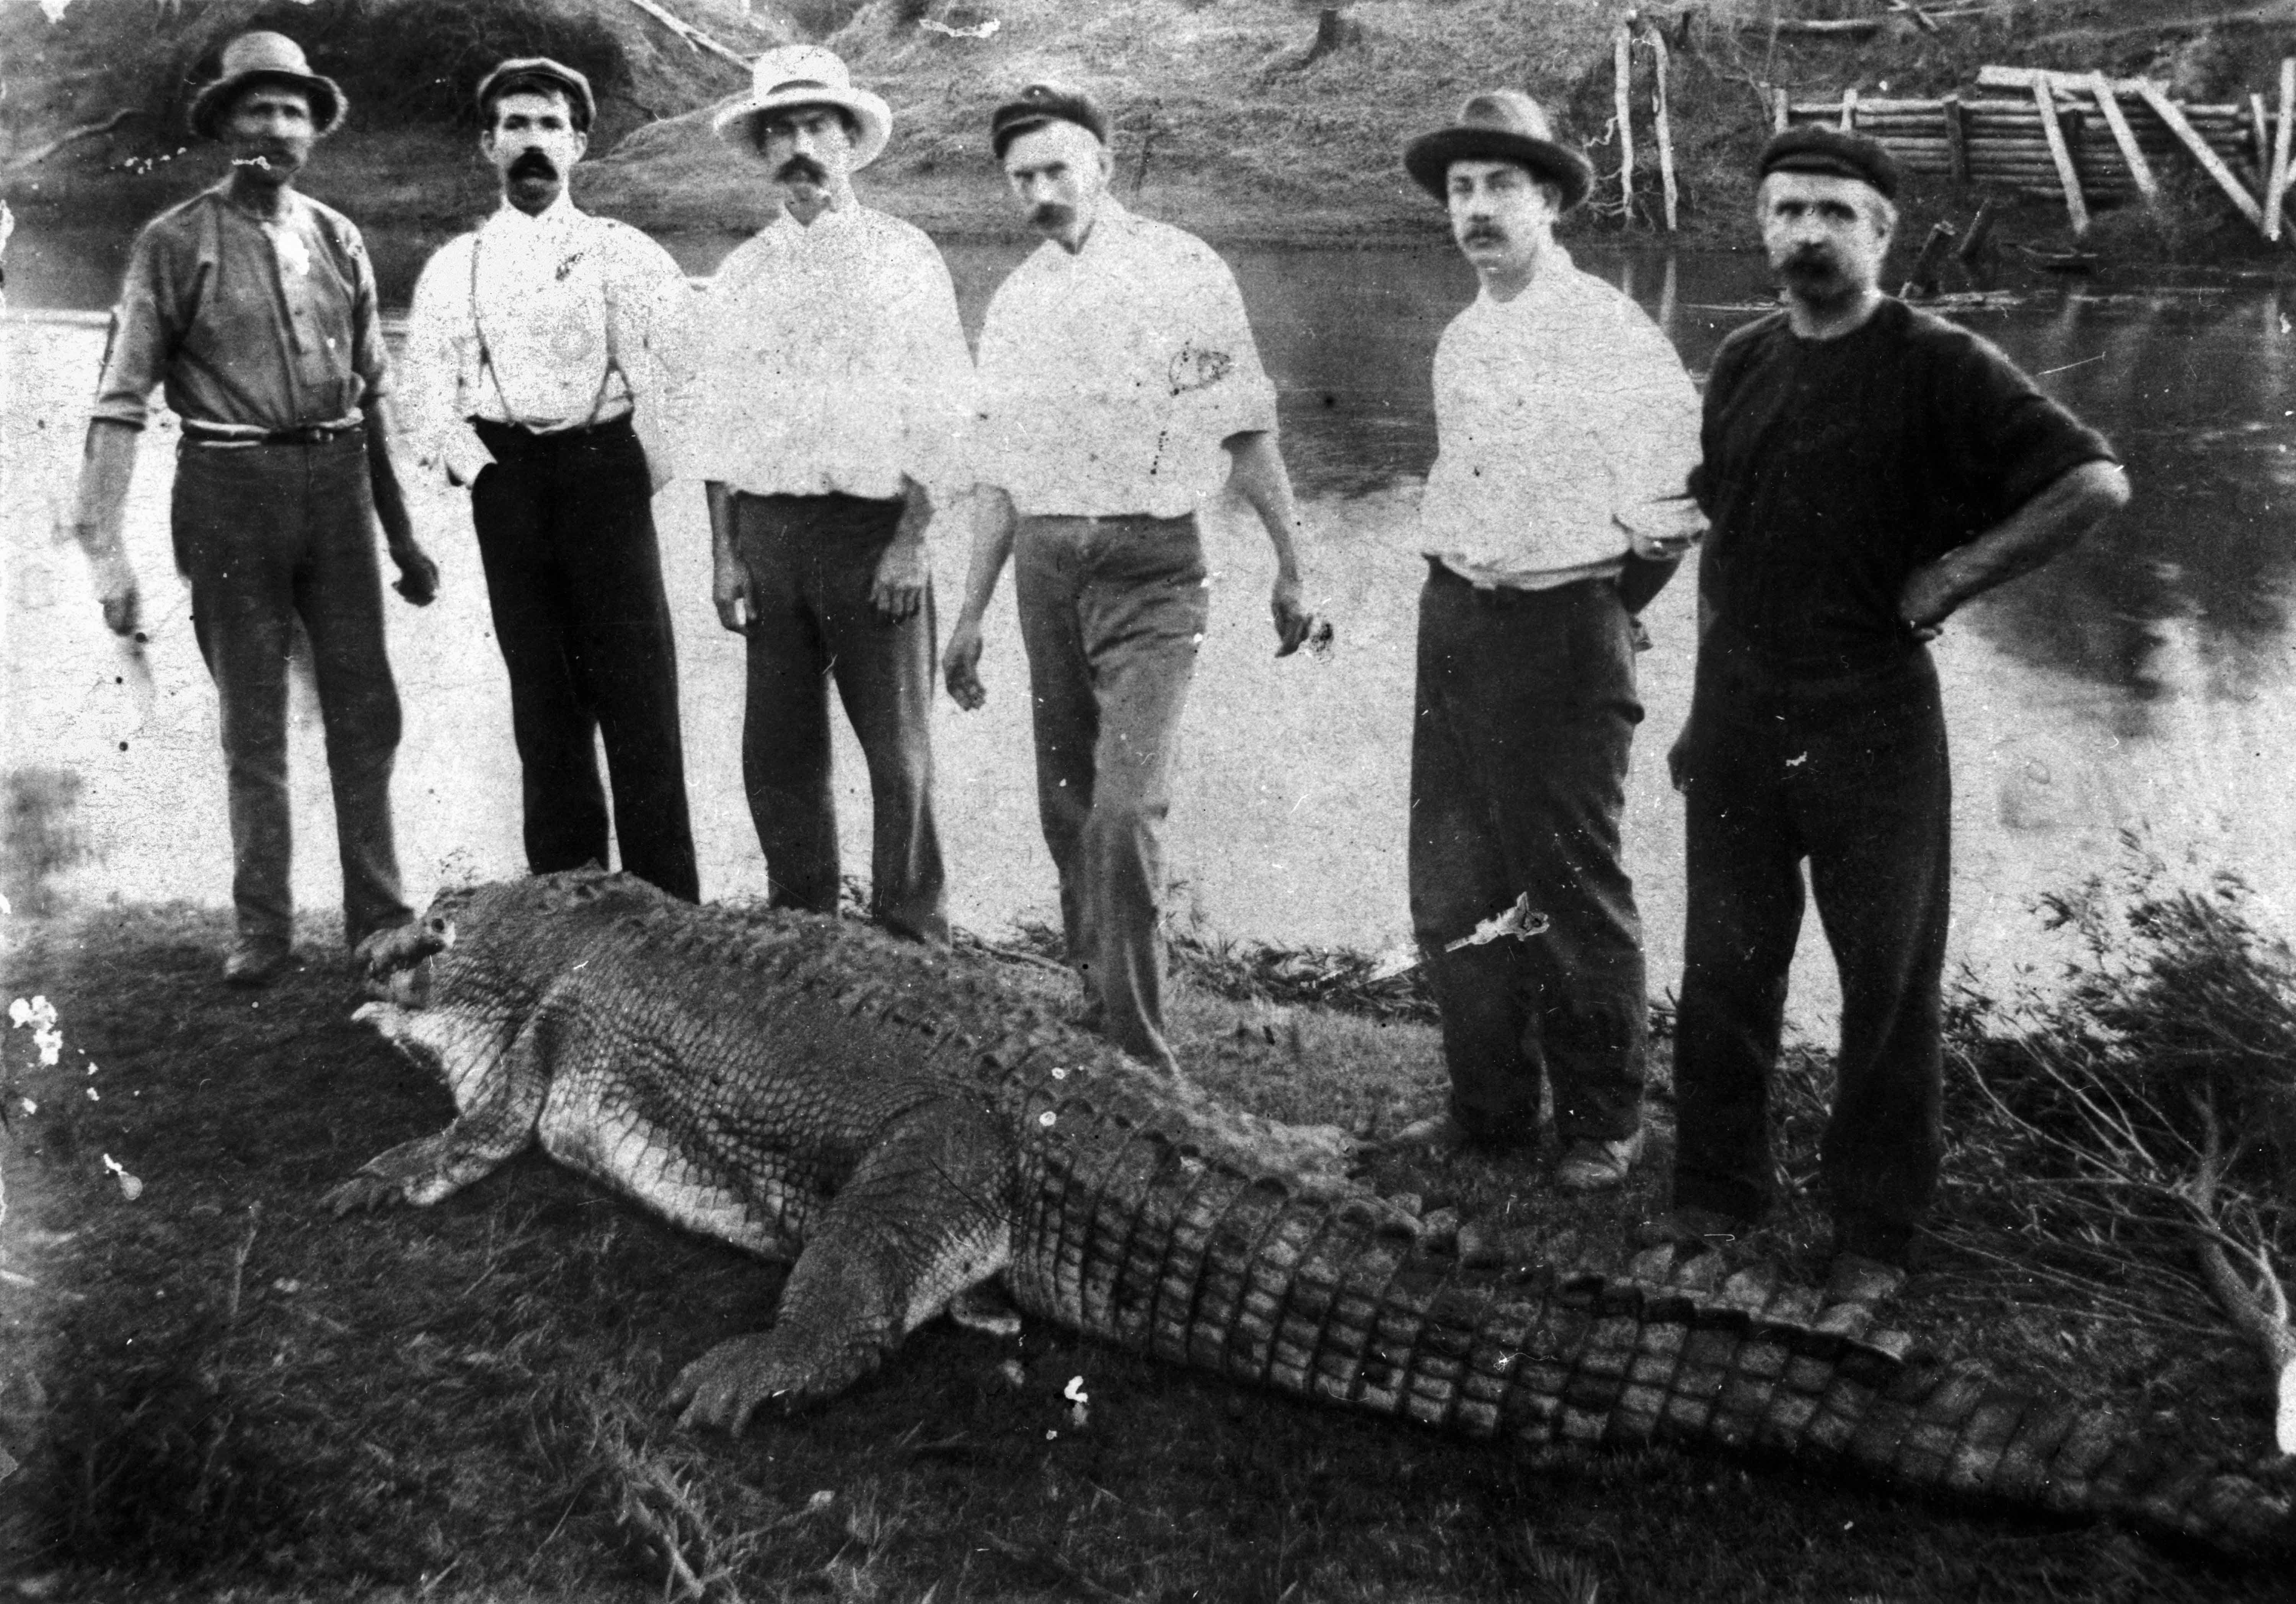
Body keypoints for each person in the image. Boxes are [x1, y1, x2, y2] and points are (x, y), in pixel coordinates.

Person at [1652, 127, 2130, 1298]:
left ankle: (1873, 1236)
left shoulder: (1941, 361)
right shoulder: (1750, 360)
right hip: (1742, 718)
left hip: (1873, 721)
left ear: (1882, 232)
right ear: (1762, 227)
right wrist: (1696, 709)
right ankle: (1714, 1197)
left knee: (1888, 985)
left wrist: (1955, 577)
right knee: (1724, 969)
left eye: (1835, 212)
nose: (1808, 232)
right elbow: (1728, 536)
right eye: (1787, 211)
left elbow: (2093, 480)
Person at [944, 83, 1315, 1074]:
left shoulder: (1181, 268)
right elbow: (997, 476)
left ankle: (1145, 1062)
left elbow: (1247, 430)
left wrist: (1291, 563)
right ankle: (1096, 998)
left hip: (1155, 570)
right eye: (1020, 177)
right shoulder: (1017, 301)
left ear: (1102, 164)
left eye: (1058, 168)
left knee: (1125, 809)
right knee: (1066, 804)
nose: (1041, 191)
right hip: (1047, 568)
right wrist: (970, 612)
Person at [68, 30, 437, 987]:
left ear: (315, 129)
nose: (274, 128)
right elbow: (119, 403)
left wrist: (404, 536)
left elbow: (375, 392)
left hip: (340, 487)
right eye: (255, 108)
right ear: (223, 122)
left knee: (368, 707)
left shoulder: (339, 237)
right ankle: (263, 928)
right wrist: (105, 550)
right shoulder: (171, 243)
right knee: (255, 718)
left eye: (292, 111)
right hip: (228, 493)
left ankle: (382, 919)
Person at [1385, 91, 1703, 1190]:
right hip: (1458, 621)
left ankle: (1607, 1121)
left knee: (1571, 883)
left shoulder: (1611, 333)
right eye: (1461, 191)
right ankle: (1490, 1109)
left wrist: (1609, 605)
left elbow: (1675, 505)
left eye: (1500, 188)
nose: (1476, 210)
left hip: (1566, 629)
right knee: (1452, 883)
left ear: (1554, 201)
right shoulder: (1463, 337)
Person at [402, 57, 699, 902]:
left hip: (607, 473)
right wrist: (483, 473)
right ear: (487, 146)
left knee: (640, 691)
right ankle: (565, 905)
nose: (533, 143)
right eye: (516, 126)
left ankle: (664, 905)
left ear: (578, 144)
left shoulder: (623, 254)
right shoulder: (456, 264)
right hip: (510, 482)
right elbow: (424, 400)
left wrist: (640, 468)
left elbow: (683, 377)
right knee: (545, 698)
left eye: (549, 126)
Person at [695, 46, 971, 943]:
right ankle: (802, 936)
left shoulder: (905, 258)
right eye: (781, 132)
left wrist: (915, 539)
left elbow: (946, 415)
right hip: (770, 536)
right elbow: (719, 429)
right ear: (764, 155)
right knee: (778, 752)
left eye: (818, 127)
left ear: (851, 143)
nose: (800, 147)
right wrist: (725, 552)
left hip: (871, 534)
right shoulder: (742, 276)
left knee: (898, 754)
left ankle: (911, 938)